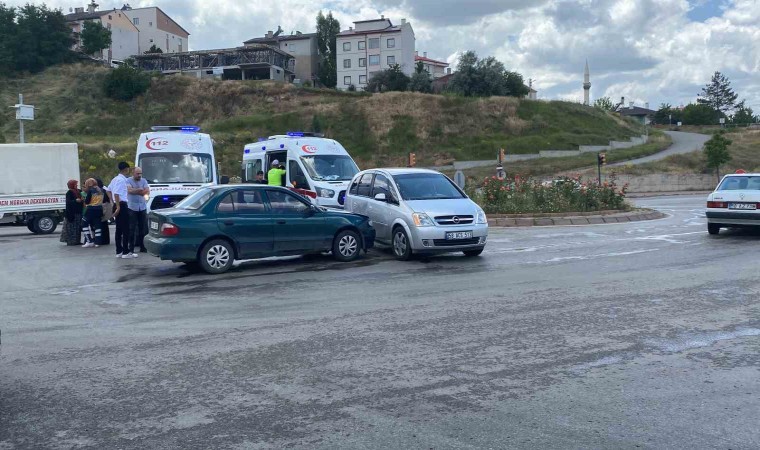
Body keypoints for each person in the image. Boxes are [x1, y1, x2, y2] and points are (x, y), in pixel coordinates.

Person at [125, 166, 150, 258]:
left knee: (143, 228)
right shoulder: (128, 180)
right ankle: (130, 248)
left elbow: (147, 191)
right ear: (133, 173)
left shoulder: (144, 181)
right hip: (132, 207)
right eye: (137, 173)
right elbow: (129, 190)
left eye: (140, 173)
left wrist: (138, 191)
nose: (139, 175)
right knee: (131, 228)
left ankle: (143, 247)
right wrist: (139, 190)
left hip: (142, 207)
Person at [108, 162, 131, 257]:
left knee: (119, 229)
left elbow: (108, 190)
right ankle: (125, 251)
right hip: (121, 205)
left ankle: (119, 251)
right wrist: (117, 206)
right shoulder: (122, 180)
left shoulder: (115, 179)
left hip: (117, 203)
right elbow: (116, 193)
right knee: (125, 229)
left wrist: (112, 202)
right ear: (126, 169)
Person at [81, 178, 104, 248]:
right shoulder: (101, 190)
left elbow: (87, 201)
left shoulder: (90, 191)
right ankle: (97, 242)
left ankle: (89, 241)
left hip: (91, 209)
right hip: (99, 209)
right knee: (98, 225)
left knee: (84, 223)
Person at [63, 179, 83, 246]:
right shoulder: (69, 192)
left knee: (78, 227)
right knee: (71, 228)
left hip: (78, 212)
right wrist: (75, 201)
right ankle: (71, 241)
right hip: (72, 213)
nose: (76, 185)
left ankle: (77, 241)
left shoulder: (79, 191)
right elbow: (68, 202)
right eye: (75, 184)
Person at [96, 178, 112, 245]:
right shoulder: (105, 189)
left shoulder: (99, 190)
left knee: (100, 225)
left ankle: (102, 240)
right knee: (104, 225)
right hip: (106, 208)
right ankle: (106, 240)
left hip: (101, 208)